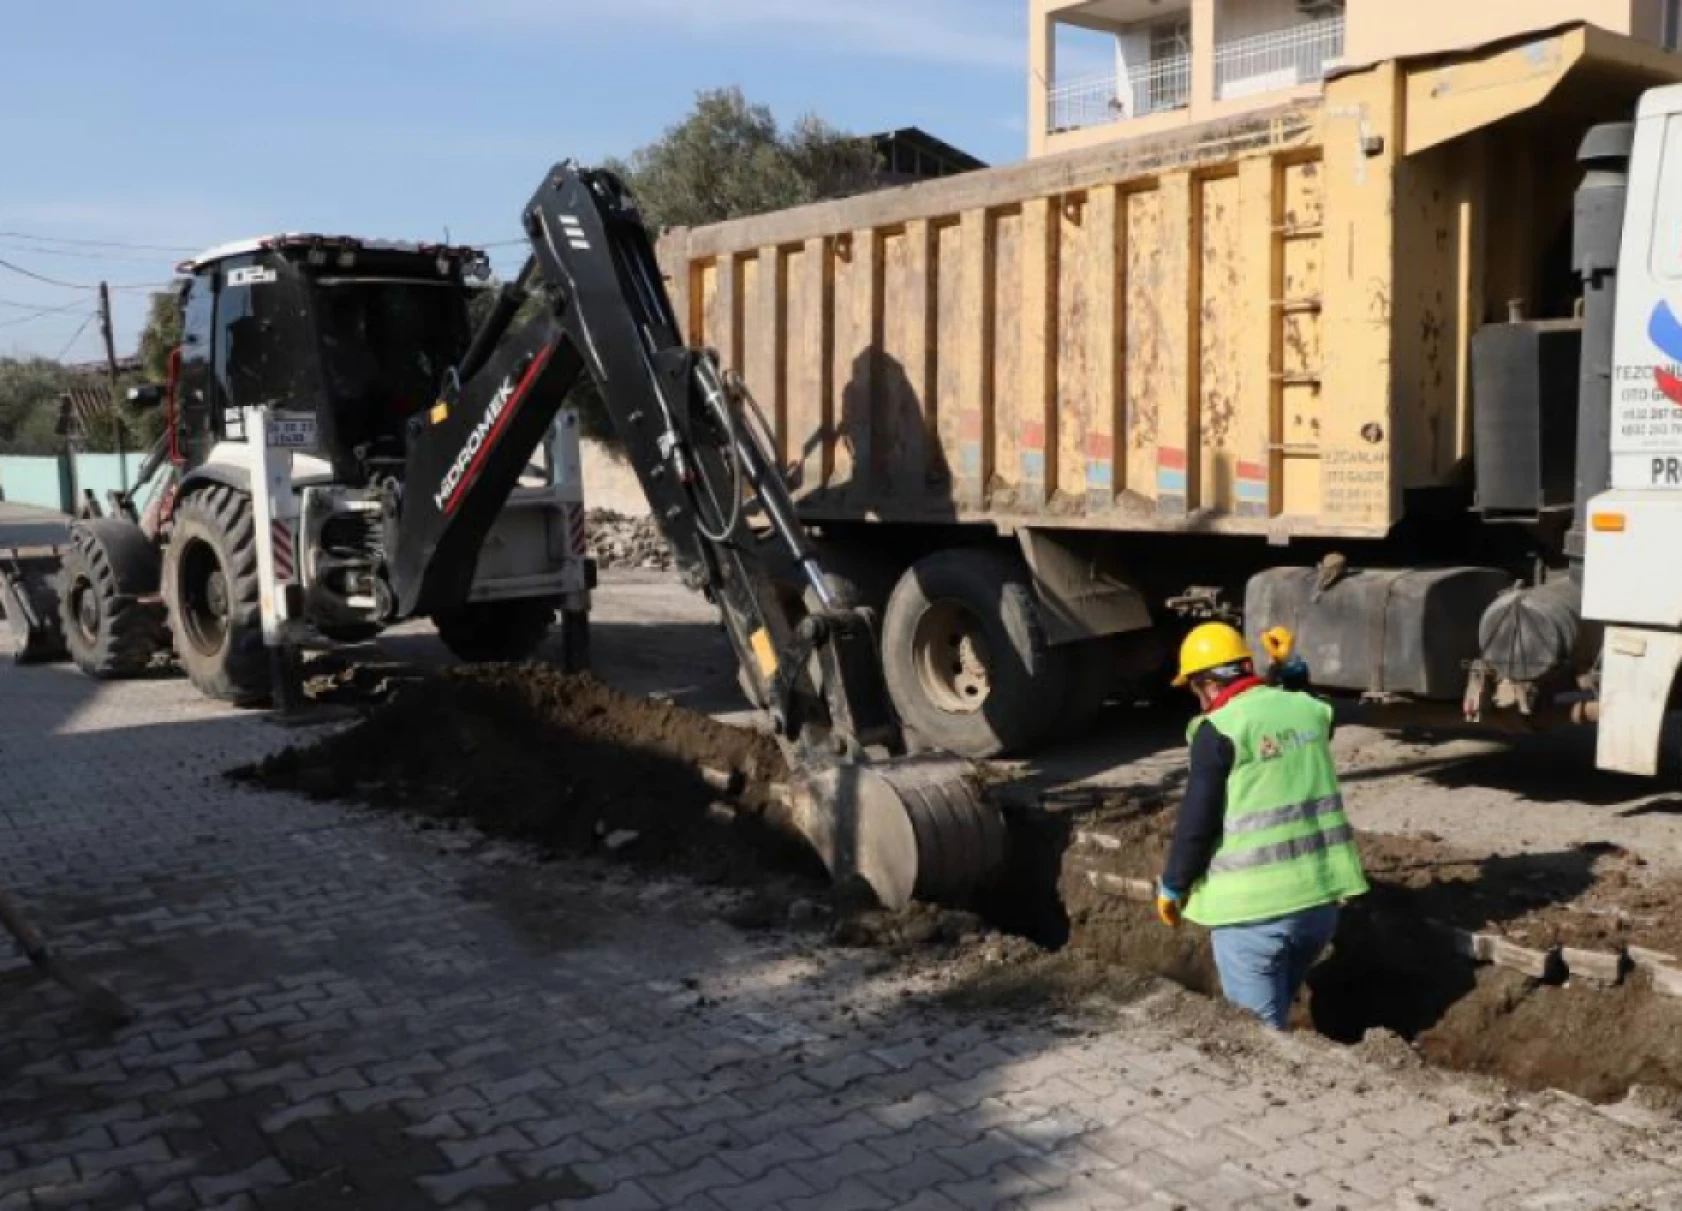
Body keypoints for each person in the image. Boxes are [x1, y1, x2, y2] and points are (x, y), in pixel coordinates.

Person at [1154, 622, 1369, 1030]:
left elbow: (1197, 822)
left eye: (1194, 689)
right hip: (1318, 910)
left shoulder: (1216, 730)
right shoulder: (1305, 708)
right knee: (1277, 1019)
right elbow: (1313, 714)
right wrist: (1291, 669)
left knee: (1260, 1045)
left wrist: (1173, 886)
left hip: (1251, 918)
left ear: (1206, 684)